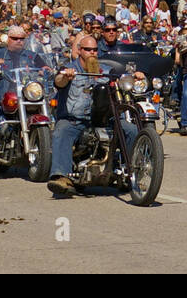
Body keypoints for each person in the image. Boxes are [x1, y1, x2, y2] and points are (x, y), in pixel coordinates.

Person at [46, 35, 142, 197]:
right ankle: (61, 176)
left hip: (105, 120)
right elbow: (59, 81)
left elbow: (122, 78)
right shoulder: (69, 67)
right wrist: (65, 76)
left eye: (95, 50)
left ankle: (130, 171)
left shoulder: (106, 70)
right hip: (75, 120)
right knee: (61, 130)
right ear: (79, 51)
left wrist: (135, 76)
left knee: (131, 130)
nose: (92, 53)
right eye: (88, 49)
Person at [0, 24, 50, 179]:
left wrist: (47, 69)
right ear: (8, 39)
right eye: (15, 38)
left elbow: (45, 65)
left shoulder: (32, 55)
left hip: (26, 98)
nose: (18, 41)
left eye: (21, 39)